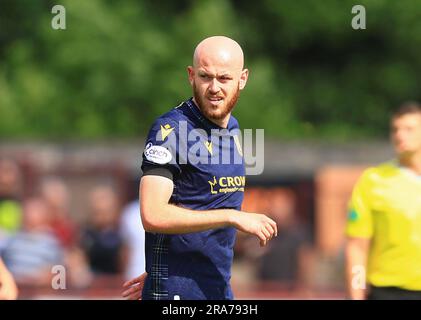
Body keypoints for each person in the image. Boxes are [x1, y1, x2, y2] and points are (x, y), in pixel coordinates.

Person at [122, 36, 277, 300]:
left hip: (216, 288)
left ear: (243, 79)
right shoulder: (170, 131)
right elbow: (152, 214)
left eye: (224, 78)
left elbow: (201, 205)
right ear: (191, 76)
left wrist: (161, 266)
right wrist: (232, 216)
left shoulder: (234, 129)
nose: (214, 87)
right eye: (206, 77)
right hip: (175, 295)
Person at [345, 102, 421, 300]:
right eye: (395, 129)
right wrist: (356, 292)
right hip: (387, 291)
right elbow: (357, 247)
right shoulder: (373, 181)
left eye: (409, 129)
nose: (400, 135)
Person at [1, 197, 63, 286]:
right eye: (28, 211)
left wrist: (44, 278)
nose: (30, 215)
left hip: (40, 291)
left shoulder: (52, 242)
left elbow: (59, 273)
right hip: (14, 288)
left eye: (35, 211)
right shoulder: (11, 239)